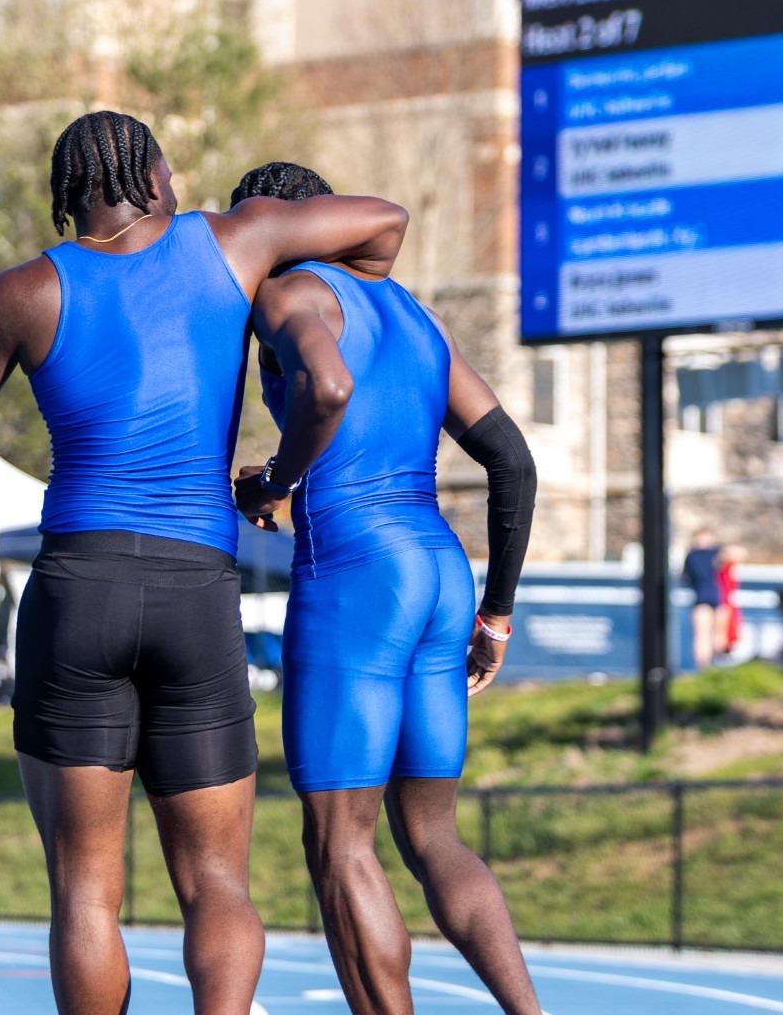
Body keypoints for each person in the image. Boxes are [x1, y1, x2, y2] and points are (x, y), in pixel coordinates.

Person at [0, 112, 408, 1015]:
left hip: (78, 588)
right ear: (152, 175)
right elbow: (385, 220)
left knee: (85, 892)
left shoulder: (22, 294)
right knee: (218, 883)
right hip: (197, 587)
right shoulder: (234, 242)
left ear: (73, 192)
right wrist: (303, 290)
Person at [229, 162, 541, 1015]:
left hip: (359, 571)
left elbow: (329, 388)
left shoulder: (289, 292)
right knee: (433, 835)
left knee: (340, 845)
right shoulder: (413, 314)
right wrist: (498, 614)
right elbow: (512, 459)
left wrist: (273, 485)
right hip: (441, 570)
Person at [683, 528, 722, 669]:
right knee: (705, 636)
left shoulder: (695, 556)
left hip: (711, 599)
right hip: (707, 599)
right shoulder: (699, 556)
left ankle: (708, 668)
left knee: (715, 637)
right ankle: (705, 668)